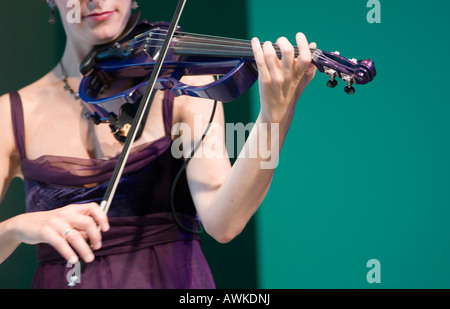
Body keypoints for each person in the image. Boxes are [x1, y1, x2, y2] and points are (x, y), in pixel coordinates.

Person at [0, 0, 317, 288]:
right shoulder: (10, 114)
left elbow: (224, 223)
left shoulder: (182, 87)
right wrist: (20, 227)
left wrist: (273, 118)